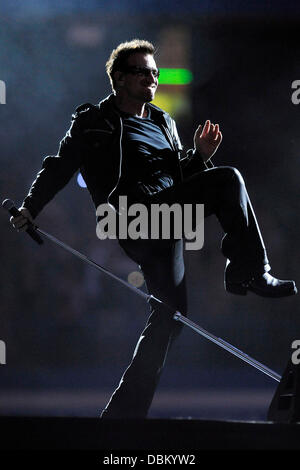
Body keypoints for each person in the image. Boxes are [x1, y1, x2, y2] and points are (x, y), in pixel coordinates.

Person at [10, 39, 297, 419]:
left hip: (168, 220)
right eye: (143, 72)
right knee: (229, 180)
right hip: (133, 216)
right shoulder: (94, 121)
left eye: (155, 73)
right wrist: (31, 207)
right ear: (119, 79)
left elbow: (179, 178)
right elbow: (60, 165)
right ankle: (250, 272)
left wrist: (198, 157)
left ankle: (122, 416)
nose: (152, 78)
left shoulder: (164, 122)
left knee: (169, 318)